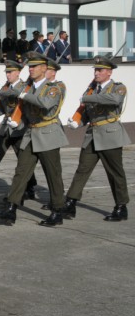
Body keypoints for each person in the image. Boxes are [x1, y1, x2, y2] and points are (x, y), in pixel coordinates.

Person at [0, 52, 68, 227]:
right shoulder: (27, 88)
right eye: (30, 66)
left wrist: (24, 95)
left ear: (44, 68)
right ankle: (11, 209)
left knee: (53, 174)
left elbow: (45, 103)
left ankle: (57, 210)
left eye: (34, 66)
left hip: (48, 133)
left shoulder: (52, 87)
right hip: (30, 133)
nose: (31, 69)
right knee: (21, 172)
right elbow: (14, 100)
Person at [64, 56, 129, 221]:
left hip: (110, 134)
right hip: (92, 135)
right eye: (95, 70)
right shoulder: (92, 90)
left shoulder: (118, 87)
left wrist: (87, 98)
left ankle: (121, 207)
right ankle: (70, 203)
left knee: (115, 172)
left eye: (100, 70)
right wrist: (77, 122)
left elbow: (114, 100)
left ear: (109, 72)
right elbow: (88, 113)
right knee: (82, 170)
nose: (96, 73)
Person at [0, 60, 37, 197]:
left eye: (10, 72)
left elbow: (15, 94)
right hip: (5, 127)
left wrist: (2, 94)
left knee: (24, 159)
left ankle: (30, 187)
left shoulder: (25, 86)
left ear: (18, 73)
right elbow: (3, 107)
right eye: (6, 72)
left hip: (20, 127)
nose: (8, 75)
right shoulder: (5, 88)